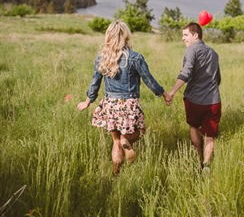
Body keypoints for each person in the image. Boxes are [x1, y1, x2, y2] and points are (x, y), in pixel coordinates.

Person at [77, 20, 171, 175]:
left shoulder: (103, 58)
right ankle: (126, 141)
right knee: (140, 131)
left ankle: (116, 173)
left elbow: (95, 82)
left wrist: (88, 101)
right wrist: (163, 94)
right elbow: (149, 80)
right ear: (126, 36)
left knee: (115, 141)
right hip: (129, 104)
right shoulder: (135, 57)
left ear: (109, 36)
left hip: (110, 105)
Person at [168, 22, 221, 176]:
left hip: (194, 100)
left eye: (185, 35)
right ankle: (206, 166)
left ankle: (199, 157)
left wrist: (171, 92)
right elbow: (217, 78)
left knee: (193, 127)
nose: (182, 38)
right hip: (214, 101)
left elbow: (186, 72)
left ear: (195, 35)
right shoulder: (214, 53)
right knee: (210, 135)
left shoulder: (191, 50)